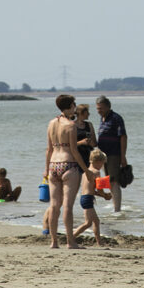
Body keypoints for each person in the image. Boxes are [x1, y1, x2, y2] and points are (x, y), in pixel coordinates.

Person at [41, 93, 84, 249]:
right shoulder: (71, 125)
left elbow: (49, 149)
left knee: (54, 205)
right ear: (70, 106)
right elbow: (74, 150)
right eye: (74, 105)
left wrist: (46, 169)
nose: (75, 107)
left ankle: (53, 241)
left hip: (53, 165)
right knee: (67, 206)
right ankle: (70, 241)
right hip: (69, 164)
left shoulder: (51, 123)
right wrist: (86, 170)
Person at [94, 95, 130, 214]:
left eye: (101, 108)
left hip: (114, 154)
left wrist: (123, 156)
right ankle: (114, 204)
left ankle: (117, 209)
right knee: (108, 181)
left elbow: (123, 137)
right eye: (98, 109)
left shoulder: (116, 118)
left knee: (114, 181)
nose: (99, 111)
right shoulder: (102, 118)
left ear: (108, 107)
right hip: (103, 156)